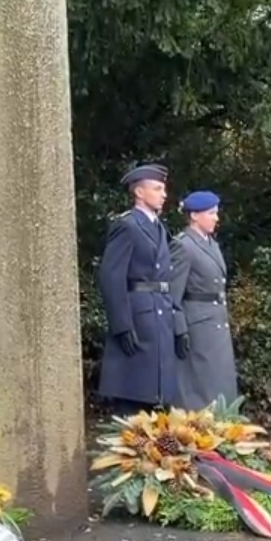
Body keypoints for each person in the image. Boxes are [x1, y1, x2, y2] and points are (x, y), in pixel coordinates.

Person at [96, 163, 179, 410]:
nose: (164, 194)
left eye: (163, 189)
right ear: (139, 192)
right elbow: (112, 277)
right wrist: (121, 324)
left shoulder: (160, 228)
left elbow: (167, 280)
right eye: (157, 188)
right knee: (134, 394)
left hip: (159, 315)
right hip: (138, 316)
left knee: (157, 397)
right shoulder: (128, 225)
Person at [168, 190, 238, 409]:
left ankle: (223, 431)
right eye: (211, 213)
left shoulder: (211, 244)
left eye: (216, 213)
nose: (216, 218)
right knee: (200, 388)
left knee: (220, 383)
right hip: (197, 326)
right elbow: (172, 294)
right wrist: (180, 329)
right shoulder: (183, 245)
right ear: (194, 216)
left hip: (216, 322)